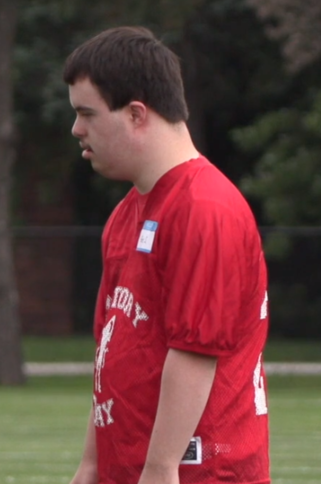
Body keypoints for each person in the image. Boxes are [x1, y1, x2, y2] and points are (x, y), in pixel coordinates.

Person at [65, 26, 270, 484]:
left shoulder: (204, 207)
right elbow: (112, 356)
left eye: (87, 114)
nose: (76, 128)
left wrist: (160, 468)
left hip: (200, 472)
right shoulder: (126, 215)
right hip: (132, 468)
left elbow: (195, 351)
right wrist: (92, 464)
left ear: (137, 114)